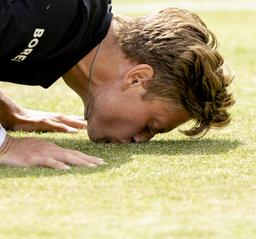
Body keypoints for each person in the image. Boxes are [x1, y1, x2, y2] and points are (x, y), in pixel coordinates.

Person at [0, 0, 234, 169]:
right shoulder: (45, 14)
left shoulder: (66, 28)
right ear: (137, 78)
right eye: (151, 125)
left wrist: (5, 110)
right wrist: (4, 145)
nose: (141, 138)